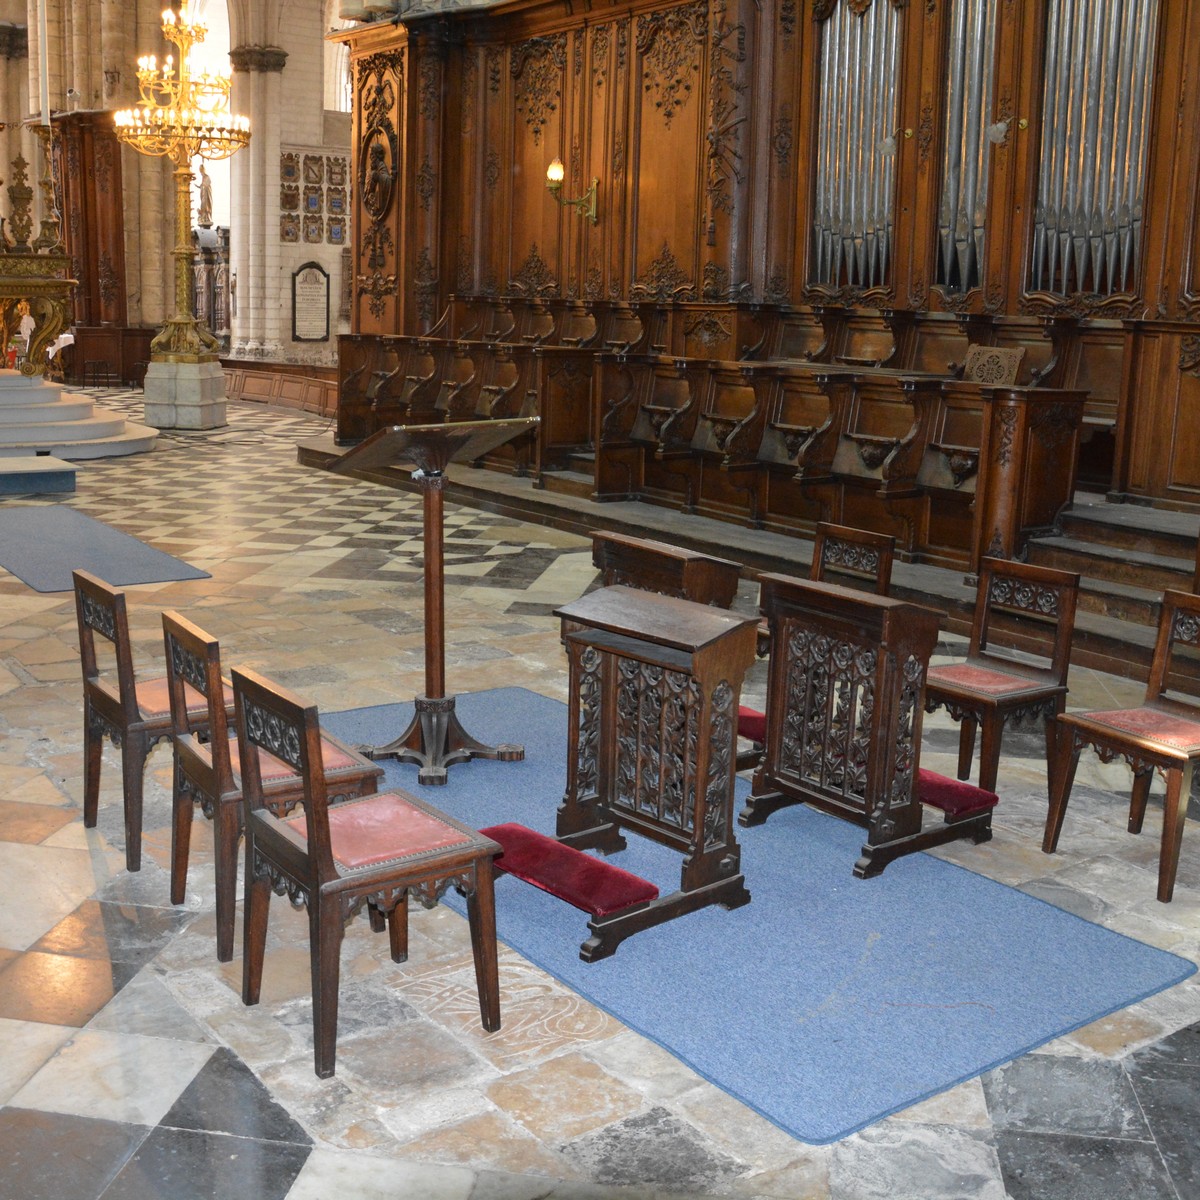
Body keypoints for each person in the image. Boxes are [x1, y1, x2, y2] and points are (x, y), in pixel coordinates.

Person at [196, 161, 213, 228]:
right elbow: (202, 185)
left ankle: (206, 217)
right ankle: (203, 216)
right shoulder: (203, 177)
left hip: (206, 194)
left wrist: (203, 185)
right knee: (203, 205)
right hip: (203, 194)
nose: (200, 172)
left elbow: (208, 183)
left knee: (206, 205)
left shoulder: (207, 176)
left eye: (201, 170)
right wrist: (199, 186)